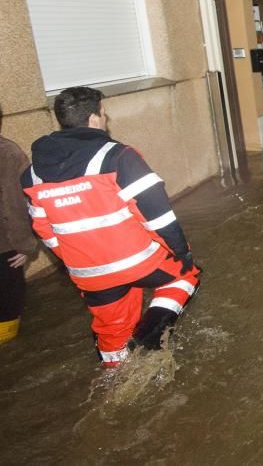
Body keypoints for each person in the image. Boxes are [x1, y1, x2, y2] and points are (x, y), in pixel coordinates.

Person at [20, 87, 201, 366]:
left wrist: (75, 261)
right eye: (104, 113)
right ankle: (150, 332)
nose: (105, 119)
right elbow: (158, 215)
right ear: (94, 118)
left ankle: (115, 380)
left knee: (113, 331)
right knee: (185, 276)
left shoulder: (32, 173)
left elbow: (44, 229)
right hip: (137, 261)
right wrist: (182, 253)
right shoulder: (118, 156)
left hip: (89, 272)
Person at [0, 106, 36, 345]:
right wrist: (26, 245)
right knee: (7, 310)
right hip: (5, 248)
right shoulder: (8, 154)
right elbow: (14, 204)